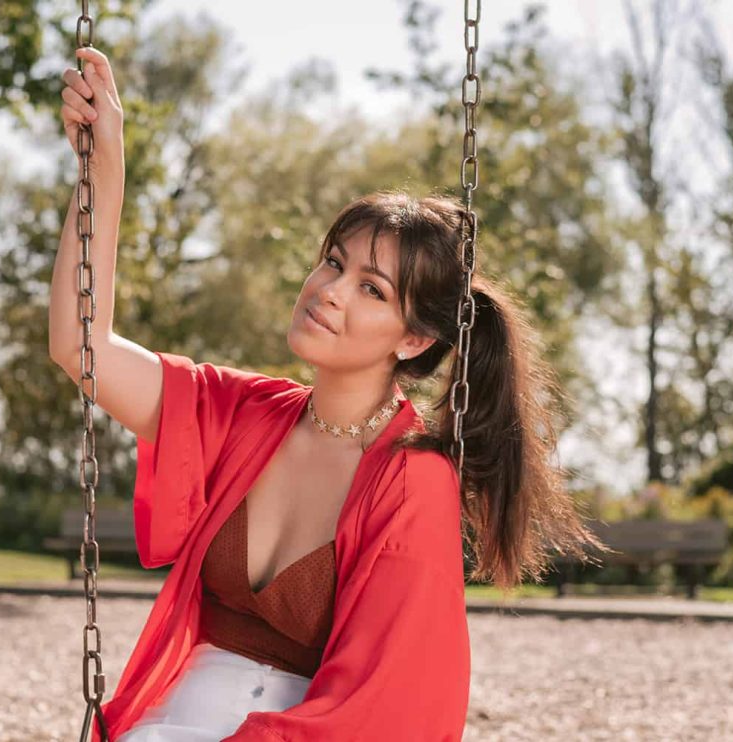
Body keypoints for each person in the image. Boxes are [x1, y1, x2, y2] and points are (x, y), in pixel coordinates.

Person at [50, 46, 604, 741]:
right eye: (334, 263)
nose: (330, 292)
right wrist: (103, 170)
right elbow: (82, 346)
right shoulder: (242, 413)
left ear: (412, 340)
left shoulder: (412, 480)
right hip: (169, 719)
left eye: (370, 289)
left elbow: (389, 706)